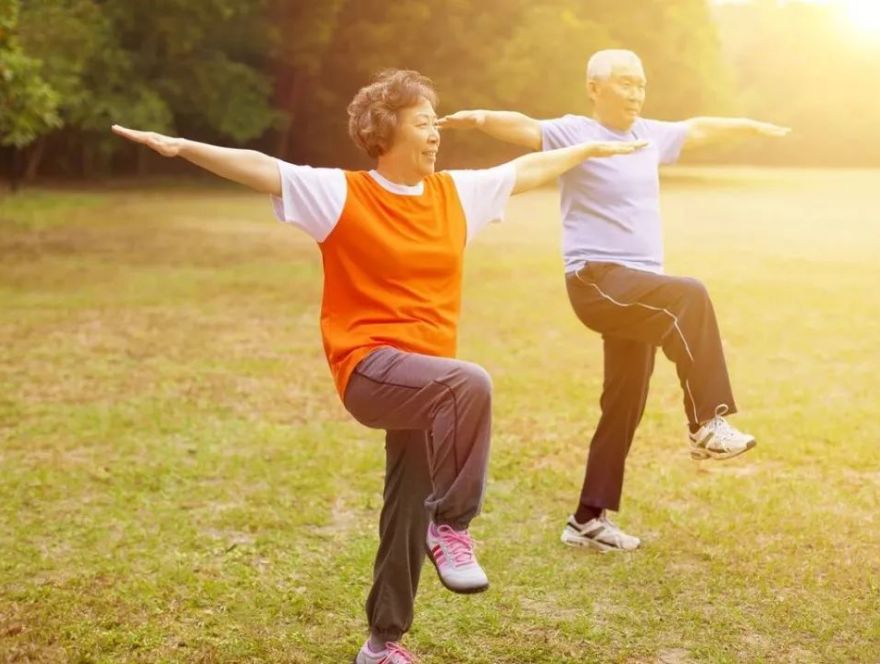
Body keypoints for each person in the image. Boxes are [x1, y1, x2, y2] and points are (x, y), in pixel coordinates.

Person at [112, 68, 645, 663]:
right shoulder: (340, 194)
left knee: (404, 506)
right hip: (369, 370)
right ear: (386, 132)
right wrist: (181, 145)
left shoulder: (455, 195)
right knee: (470, 385)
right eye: (423, 123)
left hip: (427, 386)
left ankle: (382, 644)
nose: (435, 134)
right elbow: (259, 165)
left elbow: (525, 171)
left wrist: (589, 147)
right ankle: (453, 526)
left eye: (435, 122)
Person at [440, 49, 790, 553]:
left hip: (638, 292)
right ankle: (707, 423)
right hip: (597, 279)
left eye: (641, 85)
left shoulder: (649, 136)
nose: (636, 93)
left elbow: (699, 128)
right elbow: (524, 128)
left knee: (624, 402)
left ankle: (586, 520)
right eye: (625, 83)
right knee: (689, 296)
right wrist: (480, 118)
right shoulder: (575, 132)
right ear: (595, 87)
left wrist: (749, 126)